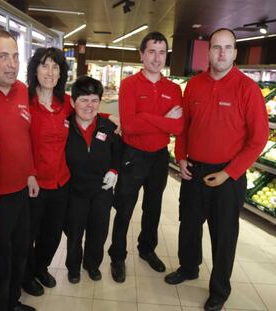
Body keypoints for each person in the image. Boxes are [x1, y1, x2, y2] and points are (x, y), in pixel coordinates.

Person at [165, 28, 268, 311]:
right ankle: (188, 268)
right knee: (188, 226)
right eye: (216, 47)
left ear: (235, 52)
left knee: (223, 237)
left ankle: (220, 290)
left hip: (228, 177)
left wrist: (228, 173)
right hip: (193, 170)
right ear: (208, 52)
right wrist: (181, 157)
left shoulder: (248, 89)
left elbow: (258, 140)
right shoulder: (194, 85)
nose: (221, 53)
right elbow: (185, 126)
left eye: (227, 47)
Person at [108, 31, 183, 282]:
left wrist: (146, 120)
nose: (157, 58)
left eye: (162, 52)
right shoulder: (129, 85)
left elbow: (178, 127)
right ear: (141, 54)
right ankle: (117, 255)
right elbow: (128, 126)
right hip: (133, 155)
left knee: (153, 207)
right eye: (151, 51)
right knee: (124, 208)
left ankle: (147, 249)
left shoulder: (173, 89)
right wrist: (163, 121)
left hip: (159, 157)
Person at [0, 28, 38, 311]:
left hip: (21, 190)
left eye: (15, 56)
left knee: (19, 252)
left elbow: (23, 136)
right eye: (3, 56)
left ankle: (12, 301)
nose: (12, 64)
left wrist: (30, 173)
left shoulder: (22, 90)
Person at [22, 47, 71, 297]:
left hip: (61, 183)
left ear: (61, 72)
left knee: (52, 235)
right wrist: (29, 172)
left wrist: (112, 125)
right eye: (44, 65)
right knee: (29, 235)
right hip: (34, 185)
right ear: (35, 70)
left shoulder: (66, 103)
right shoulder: (25, 104)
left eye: (55, 66)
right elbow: (19, 142)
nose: (50, 72)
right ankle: (26, 275)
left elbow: (88, 117)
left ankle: (42, 268)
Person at [65, 76, 121, 283]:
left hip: (102, 191)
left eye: (94, 100)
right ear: (73, 102)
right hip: (75, 191)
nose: (89, 105)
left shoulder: (108, 126)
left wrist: (114, 170)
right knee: (74, 232)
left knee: (99, 231)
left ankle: (92, 264)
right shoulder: (65, 127)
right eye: (83, 100)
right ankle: (73, 267)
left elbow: (118, 151)